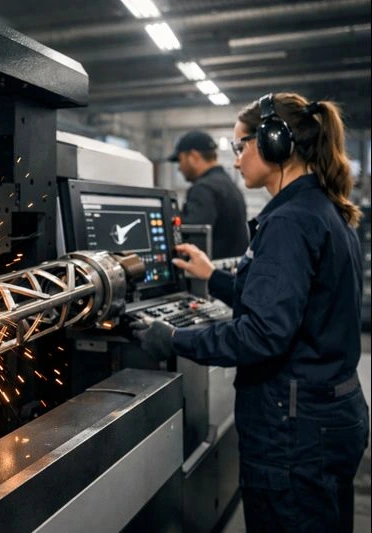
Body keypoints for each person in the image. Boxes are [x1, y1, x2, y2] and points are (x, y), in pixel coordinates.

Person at [135, 93, 369, 532]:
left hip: (292, 430)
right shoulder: (323, 209)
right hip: (330, 414)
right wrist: (214, 277)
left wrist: (174, 339)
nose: (236, 159)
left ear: (274, 143)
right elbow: (294, 303)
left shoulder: (288, 222)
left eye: (240, 145)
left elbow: (263, 334)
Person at [168, 130, 249, 258]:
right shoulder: (227, 184)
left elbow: (193, 244)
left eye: (180, 160)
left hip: (211, 268)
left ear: (193, 156)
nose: (179, 168)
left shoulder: (203, 188)